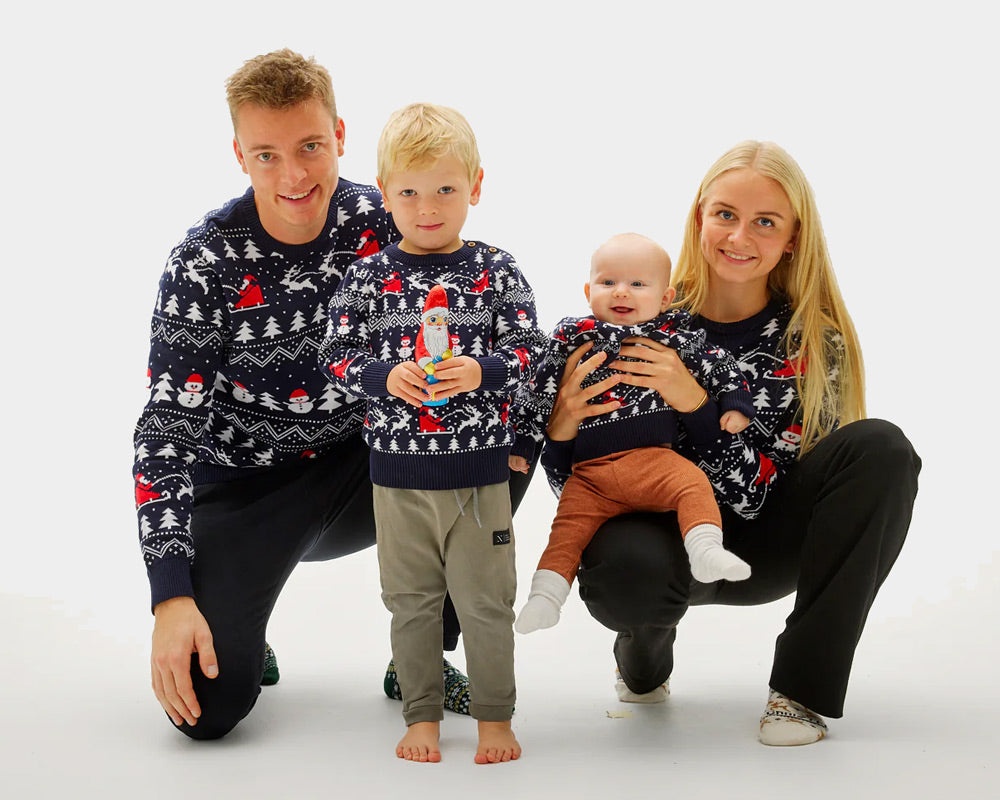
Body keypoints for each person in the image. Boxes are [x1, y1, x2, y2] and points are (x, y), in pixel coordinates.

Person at [133, 51, 533, 740]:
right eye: (267, 154)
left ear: (340, 137)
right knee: (208, 708)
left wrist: (523, 422)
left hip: (366, 465)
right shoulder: (204, 261)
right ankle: (243, 633)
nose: (293, 176)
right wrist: (169, 595)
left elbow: (482, 319)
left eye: (310, 147)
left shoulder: (389, 217)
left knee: (497, 445)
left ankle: (421, 660)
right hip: (244, 486)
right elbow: (165, 429)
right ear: (239, 155)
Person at [543, 141, 921, 745]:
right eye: (725, 214)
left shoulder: (811, 343)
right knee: (626, 567)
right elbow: (582, 485)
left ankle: (802, 692)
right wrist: (559, 430)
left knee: (883, 448)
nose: (739, 237)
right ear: (700, 218)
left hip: (764, 541)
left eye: (764, 222)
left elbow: (748, 497)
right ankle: (643, 657)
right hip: (657, 540)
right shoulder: (637, 312)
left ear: (792, 238)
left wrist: (693, 401)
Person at [319, 102, 546, 764]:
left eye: (446, 189)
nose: (428, 207)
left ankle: (495, 719)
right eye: (410, 192)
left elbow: (534, 351)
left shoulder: (495, 269)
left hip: (479, 480)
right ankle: (420, 715)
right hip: (397, 481)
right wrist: (383, 376)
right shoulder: (368, 276)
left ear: (475, 186)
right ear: (385, 193)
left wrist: (484, 369)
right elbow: (335, 356)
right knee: (411, 603)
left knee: (486, 604)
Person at [509, 232, 756, 636]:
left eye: (638, 284)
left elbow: (719, 364)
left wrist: (735, 403)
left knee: (693, 484)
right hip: (590, 474)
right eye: (608, 282)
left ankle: (705, 549)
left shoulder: (673, 335)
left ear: (664, 297)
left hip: (653, 461)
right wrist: (524, 442)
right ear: (588, 290)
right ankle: (545, 598)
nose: (621, 292)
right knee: (566, 532)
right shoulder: (570, 338)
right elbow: (537, 392)